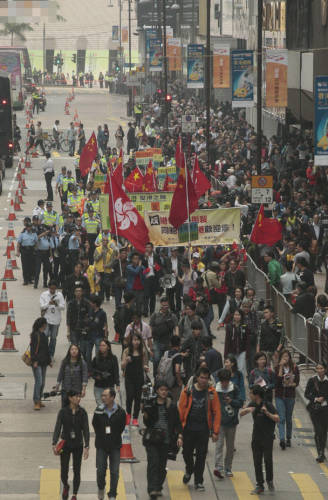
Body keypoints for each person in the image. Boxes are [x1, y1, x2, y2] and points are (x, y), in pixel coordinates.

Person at [178, 366, 221, 491]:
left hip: (203, 429)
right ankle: (189, 469)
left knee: (201, 456)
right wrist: (179, 430)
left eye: (206, 378)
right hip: (188, 429)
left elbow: (216, 412)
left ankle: (198, 481)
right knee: (186, 453)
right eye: (202, 377)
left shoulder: (212, 393)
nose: (204, 380)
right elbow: (181, 410)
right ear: (197, 378)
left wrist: (215, 431)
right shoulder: (188, 391)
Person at [142, 381, 183, 499]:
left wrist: (180, 436)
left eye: (165, 390)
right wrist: (146, 415)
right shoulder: (150, 404)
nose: (164, 392)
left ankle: (158, 487)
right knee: (153, 463)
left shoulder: (172, 406)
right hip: (152, 440)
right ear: (156, 391)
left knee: (161, 465)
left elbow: (177, 423)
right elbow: (147, 423)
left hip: (166, 440)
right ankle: (152, 489)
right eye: (161, 390)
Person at [240, 385, 279, 495]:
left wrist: (267, 413)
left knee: (267, 460)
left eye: (251, 393)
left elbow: (277, 418)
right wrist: (247, 410)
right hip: (256, 437)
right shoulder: (252, 404)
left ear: (256, 395)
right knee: (257, 461)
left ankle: (269, 480)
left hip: (267, 438)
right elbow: (241, 413)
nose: (249, 395)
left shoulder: (268, 405)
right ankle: (260, 484)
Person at [52, 391, 90, 500]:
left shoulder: (83, 412)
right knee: (64, 470)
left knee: (77, 470)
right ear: (70, 398)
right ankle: (66, 485)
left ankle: (74, 494)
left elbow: (86, 430)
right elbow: (58, 427)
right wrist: (54, 443)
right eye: (76, 396)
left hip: (78, 444)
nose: (78, 398)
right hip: (65, 444)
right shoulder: (63, 412)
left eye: (79, 396)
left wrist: (87, 446)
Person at [92, 388, 126, 500]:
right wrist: (102, 435)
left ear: (112, 397)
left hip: (115, 446)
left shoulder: (120, 412)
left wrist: (113, 436)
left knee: (115, 472)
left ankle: (112, 494)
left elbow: (121, 427)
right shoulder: (98, 410)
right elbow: (95, 425)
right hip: (101, 445)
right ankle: (101, 488)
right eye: (102, 396)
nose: (103, 398)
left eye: (105, 396)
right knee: (101, 470)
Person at [213, 368, 243, 479]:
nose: (224, 384)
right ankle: (218, 467)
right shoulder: (215, 390)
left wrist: (232, 401)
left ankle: (228, 468)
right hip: (220, 423)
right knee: (219, 445)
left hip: (232, 423)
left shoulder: (234, 388)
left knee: (230, 447)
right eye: (222, 381)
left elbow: (240, 402)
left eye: (226, 381)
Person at [121, 332, 149, 426]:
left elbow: (145, 364)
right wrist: (126, 361)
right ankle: (128, 415)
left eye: (137, 340)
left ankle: (135, 418)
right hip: (129, 377)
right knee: (129, 396)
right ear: (131, 341)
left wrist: (145, 367)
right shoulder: (126, 351)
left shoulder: (143, 352)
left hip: (139, 377)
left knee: (137, 398)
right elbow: (122, 365)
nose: (136, 342)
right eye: (134, 340)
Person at [275, 349, 299, 450]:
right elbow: (277, 381)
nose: (285, 358)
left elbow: (296, 382)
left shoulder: (294, 367)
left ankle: (288, 437)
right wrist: (280, 366)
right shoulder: (277, 368)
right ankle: (282, 439)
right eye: (283, 356)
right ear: (280, 358)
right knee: (282, 418)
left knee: (289, 418)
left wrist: (290, 384)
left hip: (290, 396)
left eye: (287, 356)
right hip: (279, 396)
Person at [305, 361, 328, 463]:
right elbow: (306, 394)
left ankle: (322, 451)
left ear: (325, 369)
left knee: (323, 431)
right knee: (318, 430)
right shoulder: (312, 380)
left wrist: (324, 398)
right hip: (314, 409)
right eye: (318, 368)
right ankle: (320, 453)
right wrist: (315, 399)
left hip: (325, 410)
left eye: (321, 368)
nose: (319, 370)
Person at [150, 296, 178, 376]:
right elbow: (150, 328)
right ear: (160, 305)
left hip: (168, 342)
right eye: (163, 306)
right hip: (157, 341)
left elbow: (176, 327)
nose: (165, 307)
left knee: (169, 361)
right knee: (156, 360)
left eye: (166, 306)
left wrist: (176, 339)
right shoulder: (154, 315)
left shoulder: (172, 316)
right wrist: (150, 343)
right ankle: (156, 376)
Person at [40, 280, 65, 361]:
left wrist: (57, 304)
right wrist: (49, 303)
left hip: (56, 320)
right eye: (51, 289)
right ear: (49, 288)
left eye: (54, 289)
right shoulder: (44, 295)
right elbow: (42, 307)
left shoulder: (60, 295)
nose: (53, 291)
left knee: (53, 338)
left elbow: (63, 307)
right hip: (46, 320)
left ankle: (51, 355)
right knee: (45, 336)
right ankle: (44, 354)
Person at [30, 317, 51, 410]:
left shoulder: (44, 335)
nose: (46, 325)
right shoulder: (35, 335)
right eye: (46, 324)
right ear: (43, 325)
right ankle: (36, 401)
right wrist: (34, 361)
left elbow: (46, 349)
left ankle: (39, 399)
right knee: (39, 381)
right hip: (37, 362)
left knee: (43, 382)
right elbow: (33, 350)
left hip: (44, 362)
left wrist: (49, 361)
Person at [91, 339, 120, 406]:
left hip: (109, 385)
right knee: (100, 406)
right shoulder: (96, 358)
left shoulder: (113, 358)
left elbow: (116, 371)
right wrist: (96, 376)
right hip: (98, 386)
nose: (101, 347)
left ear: (108, 347)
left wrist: (117, 384)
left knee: (108, 405)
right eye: (100, 345)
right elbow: (91, 371)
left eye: (104, 345)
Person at [224, 309, 248, 377]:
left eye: (238, 315)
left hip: (242, 351)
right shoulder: (229, 326)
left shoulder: (245, 326)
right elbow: (227, 340)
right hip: (232, 351)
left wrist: (247, 352)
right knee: (231, 369)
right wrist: (225, 354)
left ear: (241, 316)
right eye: (235, 315)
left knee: (241, 369)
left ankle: (240, 384)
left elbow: (247, 340)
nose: (237, 316)